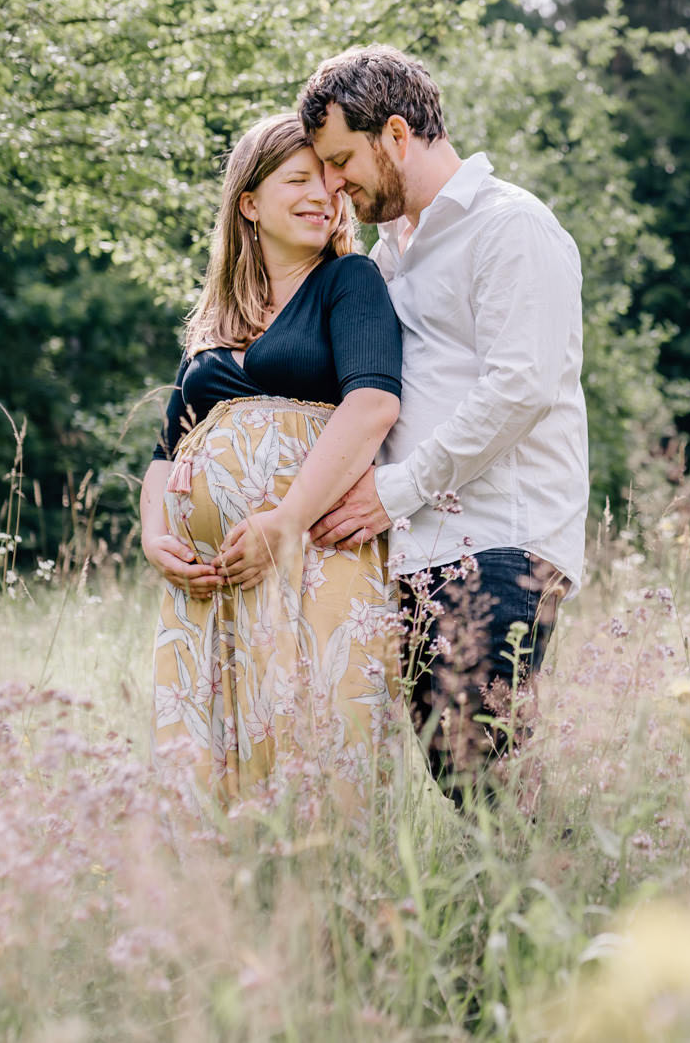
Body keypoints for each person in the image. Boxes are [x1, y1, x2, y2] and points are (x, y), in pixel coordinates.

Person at [297, 45, 588, 808]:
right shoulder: (391, 255)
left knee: (486, 774)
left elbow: (520, 387)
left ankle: (584, 916)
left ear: (396, 133)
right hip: (417, 549)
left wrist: (396, 489)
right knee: (467, 779)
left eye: (340, 159)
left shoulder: (511, 227)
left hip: (501, 540)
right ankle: (548, 913)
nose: (333, 183)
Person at [137, 112, 404, 817]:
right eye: (299, 179)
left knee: (320, 746)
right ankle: (233, 921)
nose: (324, 194)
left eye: (330, 180)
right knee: (215, 768)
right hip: (210, 587)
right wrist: (154, 536)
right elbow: (166, 455)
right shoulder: (215, 321)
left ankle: (327, 923)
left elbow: (373, 406)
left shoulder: (350, 282)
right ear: (248, 203)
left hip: (313, 558)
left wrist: (284, 521)